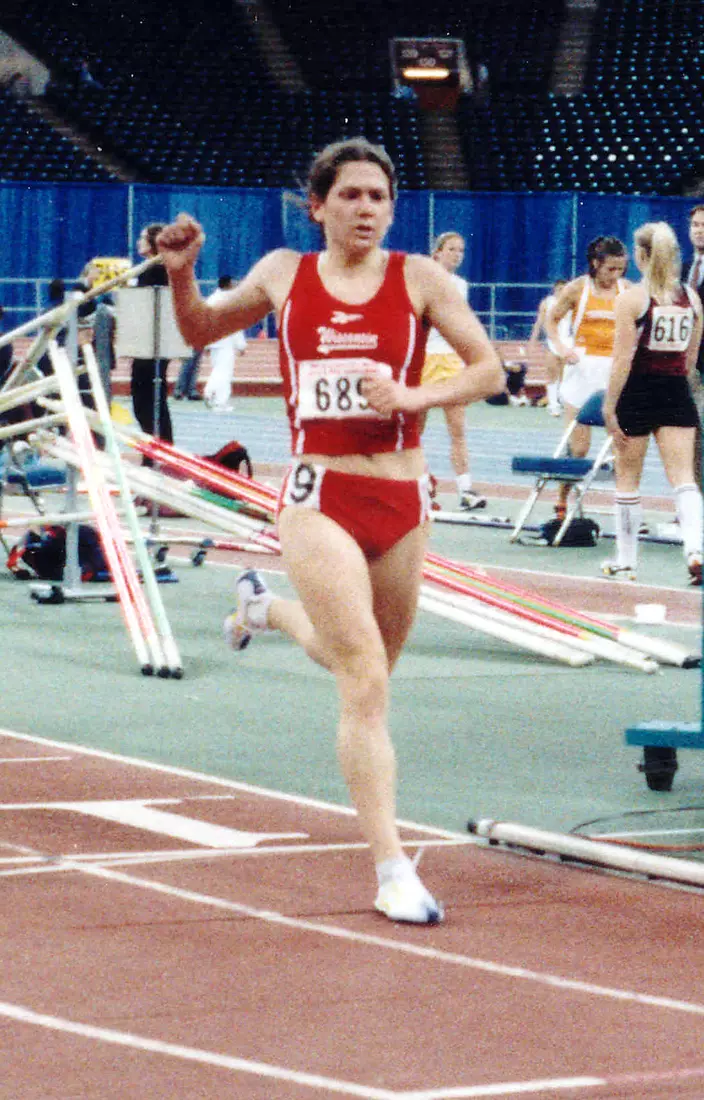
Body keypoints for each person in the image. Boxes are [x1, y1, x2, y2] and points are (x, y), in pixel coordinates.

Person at [157, 137, 503, 924]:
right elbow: (201, 331)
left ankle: (265, 611)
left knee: (368, 663)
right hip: (319, 496)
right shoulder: (286, 271)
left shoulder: (422, 278)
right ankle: (390, 870)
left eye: (379, 197)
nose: (366, 210)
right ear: (318, 206)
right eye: (350, 196)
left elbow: (487, 369)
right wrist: (181, 274)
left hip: (403, 498)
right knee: (366, 681)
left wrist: (410, 397)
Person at [602, 222, 703, 585]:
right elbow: (691, 358)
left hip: (638, 390)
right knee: (684, 479)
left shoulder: (632, 299)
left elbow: (622, 360)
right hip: (675, 389)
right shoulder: (691, 298)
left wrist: (609, 406)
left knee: (627, 479)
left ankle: (626, 562)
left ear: (641, 256)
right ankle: (695, 548)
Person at [546, 236, 629, 517]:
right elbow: (552, 319)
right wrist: (561, 347)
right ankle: (562, 499)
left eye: (620, 269)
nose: (615, 275)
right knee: (578, 448)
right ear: (595, 264)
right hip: (582, 370)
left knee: (622, 448)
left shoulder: (626, 290)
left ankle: (626, 510)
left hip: (612, 371)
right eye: (610, 269)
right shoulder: (578, 288)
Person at [419, 232, 486, 511]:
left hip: (449, 361)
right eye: (451, 249)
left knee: (457, 430)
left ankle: (465, 490)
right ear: (438, 252)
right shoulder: (421, 279)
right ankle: (418, 486)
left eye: (461, 250)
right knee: (414, 431)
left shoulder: (461, 285)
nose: (457, 255)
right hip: (423, 361)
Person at [130, 223, 174, 448]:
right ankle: (157, 449)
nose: (138, 242)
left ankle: (159, 451)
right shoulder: (150, 269)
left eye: (142, 238)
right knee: (150, 400)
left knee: (148, 401)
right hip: (150, 344)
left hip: (153, 344)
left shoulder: (156, 270)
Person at [203, 276, 247, 411]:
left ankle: (219, 401)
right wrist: (241, 345)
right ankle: (210, 393)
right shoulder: (229, 302)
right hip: (225, 341)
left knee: (219, 369)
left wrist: (206, 343)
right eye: (233, 284)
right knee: (223, 371)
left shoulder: (211, 300)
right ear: (228, 285)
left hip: (214, 341)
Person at [528, 278, 571, 416]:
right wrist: (533, 339)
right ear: (555, 290)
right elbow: (539, 322)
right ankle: (553, 404)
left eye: (564, 289)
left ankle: (563, 401)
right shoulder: (547, 303)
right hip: (552, 341)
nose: (561, 292)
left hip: (568, 341)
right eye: (559, 289)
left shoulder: (572, 302)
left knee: (565, 374)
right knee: (552, 372)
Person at [684, 204, 704, 484]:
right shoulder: (686, 268)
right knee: (691, 438)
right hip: (688, 367)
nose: (699, 231)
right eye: (696, 226)